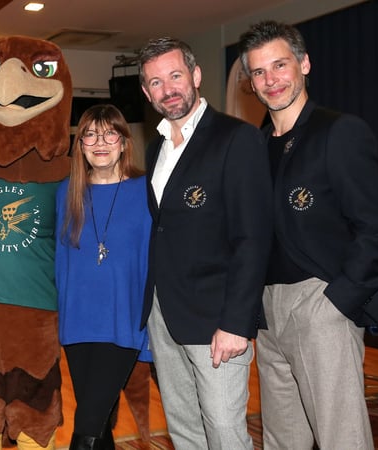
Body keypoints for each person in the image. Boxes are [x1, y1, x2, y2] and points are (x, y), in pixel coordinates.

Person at [238, 20, 378, 449]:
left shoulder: (339, 131)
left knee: (340, 437)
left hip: (320, 304)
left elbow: (374, 228)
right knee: (282, 439)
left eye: (280, 65)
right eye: (259, 72)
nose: (270, 80)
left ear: (305, 64)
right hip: (267, 310)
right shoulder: (254, 147)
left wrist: (336, 305)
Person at [138, 37, 273, 449]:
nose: (168, 89)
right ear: (146, 92)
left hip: (217, 317)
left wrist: (236, 322)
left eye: (176, 75)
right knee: (183, 427)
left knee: (223, 429)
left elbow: (253, 236)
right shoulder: (155, 146)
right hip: (164, 314)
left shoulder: (237, 139)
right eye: (156, 82)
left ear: (195, 76)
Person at [55, 104, 150, 449]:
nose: (100, 142)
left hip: (122, 325)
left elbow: (153, 264)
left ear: (124, 142)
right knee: (98, 425)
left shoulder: (146, 192)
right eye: (90, 134)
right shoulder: (65, 193)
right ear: (79, 144)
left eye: (110, 132)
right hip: (77, 326)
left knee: (86, 426)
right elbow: (60, 264)